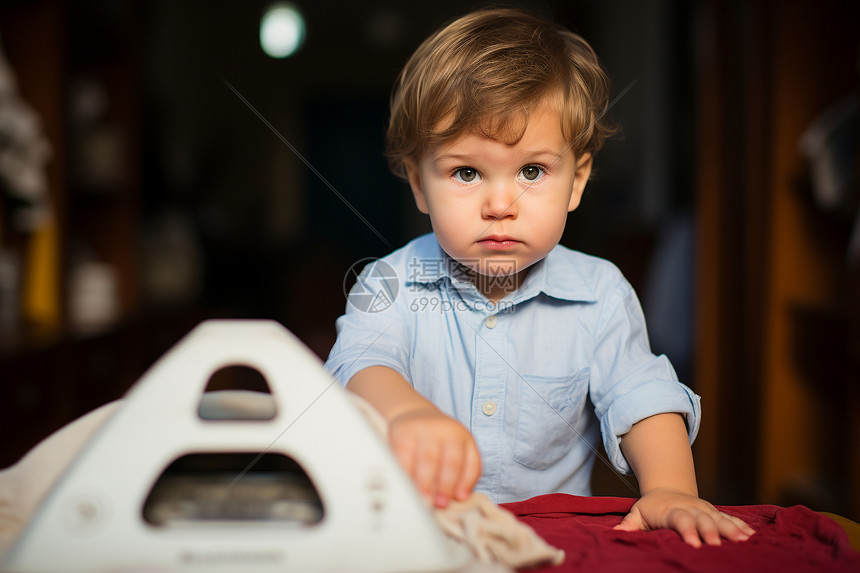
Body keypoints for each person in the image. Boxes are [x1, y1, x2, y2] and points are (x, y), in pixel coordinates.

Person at [324, 7, 754, 547]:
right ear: (418, 184)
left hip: (553, 543)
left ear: (576, 181)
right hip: (413, 537)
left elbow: (641, 395)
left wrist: (671, 489)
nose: (500, 203)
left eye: (532, 171)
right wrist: (405, 411)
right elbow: (361, 362)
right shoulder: (387, 283)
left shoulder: (600, 294)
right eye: (466, 172)